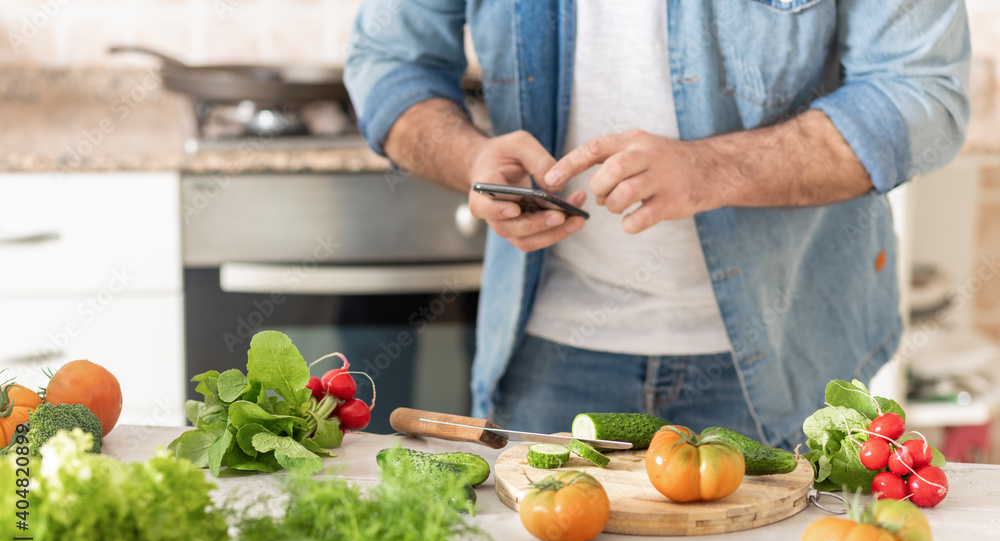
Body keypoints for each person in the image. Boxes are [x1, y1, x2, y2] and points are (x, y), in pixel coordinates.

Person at [344, 0, 971, 451]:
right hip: (546, 358)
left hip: (795, 355)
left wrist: (710, 169)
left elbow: (923, 96)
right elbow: (388, 59)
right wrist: (470, 160)